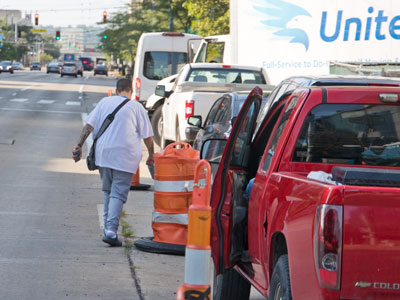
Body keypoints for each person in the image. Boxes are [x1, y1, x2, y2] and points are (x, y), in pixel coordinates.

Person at [72, 78, 154, 247]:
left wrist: (79, 145)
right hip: (125, 156)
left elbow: (89, 126)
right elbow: (148, 137)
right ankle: (111, 230)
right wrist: (151, 155)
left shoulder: (104, 102)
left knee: (108, 190)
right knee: (118, 193)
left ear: (116, 90)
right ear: (131, 92)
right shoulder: (136, 107)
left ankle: (108, 229)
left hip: (103, 155)